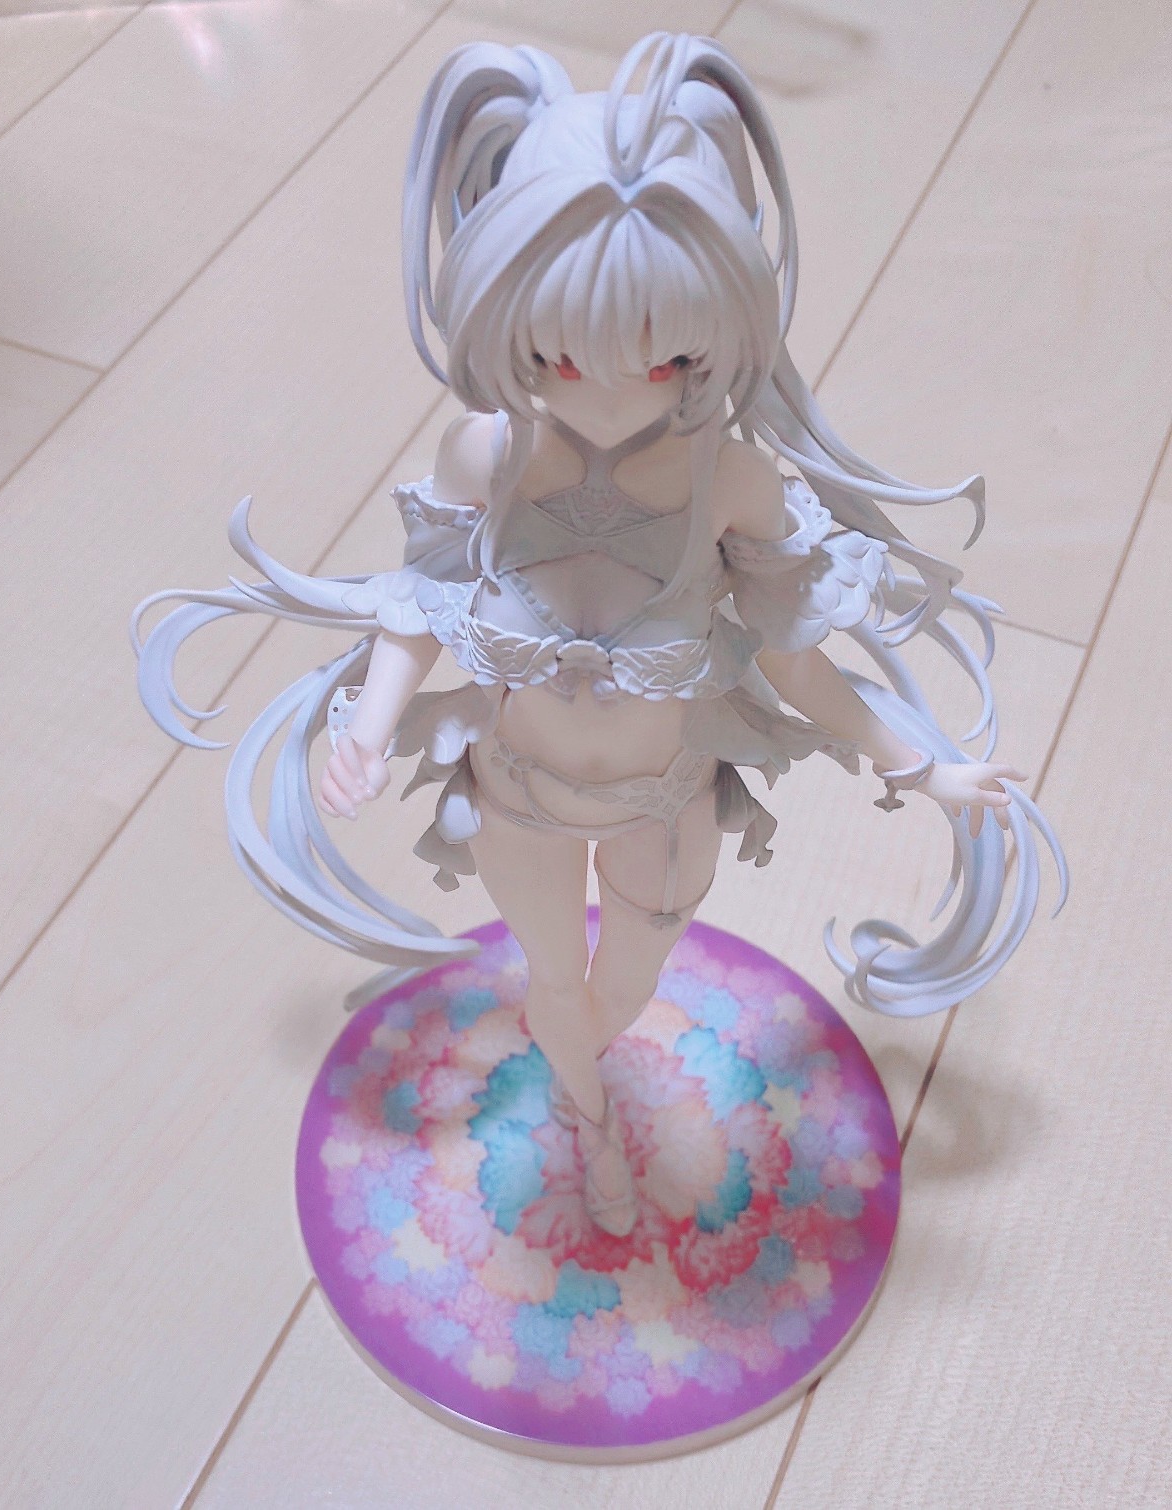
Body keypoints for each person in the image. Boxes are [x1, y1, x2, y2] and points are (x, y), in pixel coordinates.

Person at [133, 33, 1065, 1237]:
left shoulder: (733, 481)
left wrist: (922, 764)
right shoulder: (484, 457)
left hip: (663, 804)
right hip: (516, 792)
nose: (615, 393)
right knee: (552, 983)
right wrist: (366, 723)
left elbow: (796, 659)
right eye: (564, 356)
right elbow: (419, 604)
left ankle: (584, 1072)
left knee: (622, 982)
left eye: (666, 357)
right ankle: (589, 1118)